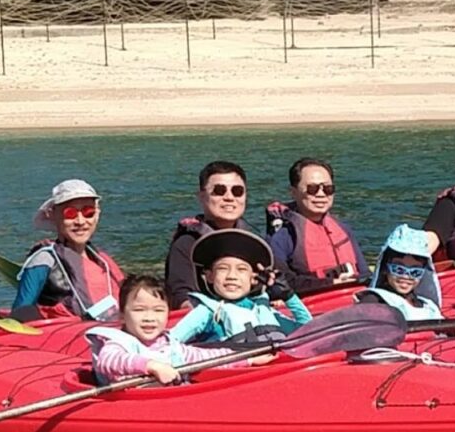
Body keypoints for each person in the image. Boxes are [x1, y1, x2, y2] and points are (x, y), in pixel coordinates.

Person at [168, 228, 311, 346]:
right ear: (210, 276)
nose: (232, 276)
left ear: (253, 278)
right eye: (223, 269)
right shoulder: (208, 312)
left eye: (241, 270)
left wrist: (289, 296)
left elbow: (307, 328)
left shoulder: (263, 309)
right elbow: (170, 342)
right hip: (238, 375)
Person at [88, 275, 235, 385]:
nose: (149, 317)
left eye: (158, 310)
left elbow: (208, 357)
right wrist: (151, 366)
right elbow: (108, 361)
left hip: (171, 402)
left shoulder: (171, 346)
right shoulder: (118, 344)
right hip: (135, 406)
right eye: (139, 310)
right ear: (122, 316)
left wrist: (248, 360)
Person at [16, 179, 125, 320]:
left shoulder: (102, 259)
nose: (80, 221)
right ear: (53, 215)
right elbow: (19, 314)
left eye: (88, 212)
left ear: (97, 214)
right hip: (71, 336)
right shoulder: (43, 260)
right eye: (70, 213)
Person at [266, 157, 367, 295]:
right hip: (313, 306)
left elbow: (365, 273)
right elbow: (281, 282)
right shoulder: (281, 236)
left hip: (354, 301)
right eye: (312, 188)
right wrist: (332, 283)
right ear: (293, 192)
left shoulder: (344, 230)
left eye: (328, 188)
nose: (321, 194)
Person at [164, 160, 253, 302]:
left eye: (237, 191)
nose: (229, 198)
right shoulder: (186, 243)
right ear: (201, 197)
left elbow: (283, 281)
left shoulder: (253, 241)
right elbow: (181, 296)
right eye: (219, 191)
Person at [356, 225, 443, 321]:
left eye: (415, 272)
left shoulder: (429, 307)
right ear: (385, 268)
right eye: (399, 269)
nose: (406, 276)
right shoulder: (373, 302)